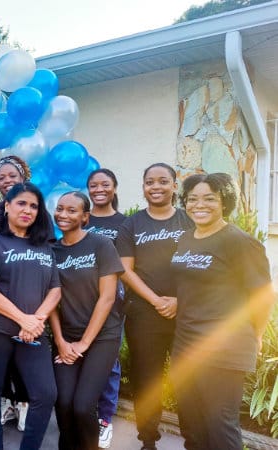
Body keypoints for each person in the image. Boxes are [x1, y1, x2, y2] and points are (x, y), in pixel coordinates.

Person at [171, 173, 273, 450]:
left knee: (219, 423)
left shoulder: (239, 242)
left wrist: (257, 336)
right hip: (186, 342)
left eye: (209, 199)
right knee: (191, 421)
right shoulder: (186, 238)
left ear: (224, 202)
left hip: (224, 347)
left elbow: (263, 297)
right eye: (192, 199)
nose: (198, 205)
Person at [0, 182, 61, 450]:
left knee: (46, 394)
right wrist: (23, 318)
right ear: (7, 206)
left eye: (34, 206)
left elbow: (55, 289)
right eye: (21, 203)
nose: (28, 210)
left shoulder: (43, 244)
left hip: (32, 332)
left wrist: (36, 320)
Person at [115, 162, 193, 450]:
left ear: (175, 185)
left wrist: (178, 300)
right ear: (143, 186)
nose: (156, 187)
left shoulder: (189, 221)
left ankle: (192, 437)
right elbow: (126, 270)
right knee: (147, 379)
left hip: (187, 312)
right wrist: (156, 300)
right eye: (150, 182)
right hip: (144, 314)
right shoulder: (132, 224)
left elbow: (202, 267)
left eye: (163, 181)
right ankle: (148, 439)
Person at [50, 191, 124, 450]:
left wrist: (83, 344)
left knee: (83, 406)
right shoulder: (52, 250)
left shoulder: (101, 244)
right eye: (60, 208)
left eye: (72, 210)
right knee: (63, 403)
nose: (63, 214)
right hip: (67, 337)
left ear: (85, 216)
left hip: (103, 337)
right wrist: (60, 341)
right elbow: (52, 302)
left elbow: (107, 298)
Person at [0, 155, 42, 429]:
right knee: (3, 364)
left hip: (30, 302)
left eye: (12, 176)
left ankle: (25, 403)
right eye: (1, 178)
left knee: (25, 362)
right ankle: (8, 402)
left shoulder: (35, 212)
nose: (7, 181)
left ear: (23, 177)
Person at [85, 168, 126, 449]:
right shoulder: (80, 217)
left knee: (109, 363)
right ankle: (83, 415)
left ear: (114, 187)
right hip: (78, 300)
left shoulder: (125, 223)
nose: (99, 189)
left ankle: (105, 419)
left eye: (105, 184)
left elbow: (128, 265)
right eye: (93, 185)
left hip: (111, 301)